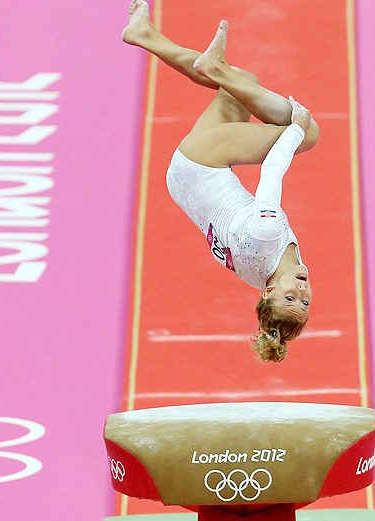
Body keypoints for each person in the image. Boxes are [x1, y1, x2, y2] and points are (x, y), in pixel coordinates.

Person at [122, 0, 320, 362]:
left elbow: (272, 171)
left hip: (203, 162)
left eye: (290, 297)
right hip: (184, 182)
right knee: (239, 85)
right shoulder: (265, 273)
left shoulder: (266, 236)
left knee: (307, 136)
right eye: (304, 302)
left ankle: (213, 67)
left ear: (268, 292)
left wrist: (297, 128)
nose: (302, 292)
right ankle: (143, 35)